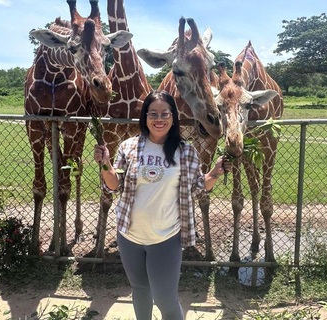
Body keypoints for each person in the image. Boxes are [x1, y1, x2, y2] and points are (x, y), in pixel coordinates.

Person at [94, 90, 230, 320]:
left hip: (166, 239)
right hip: (129, 237)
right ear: (145, 117)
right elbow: (114, 185)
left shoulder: (185, 151)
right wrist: (105, 164)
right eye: (153, 113)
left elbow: (198, 187)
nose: (159, 119)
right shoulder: (128, 147)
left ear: (173, 117)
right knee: (140, 291)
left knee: (165, 299)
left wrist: (215, 173)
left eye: (164, 114)